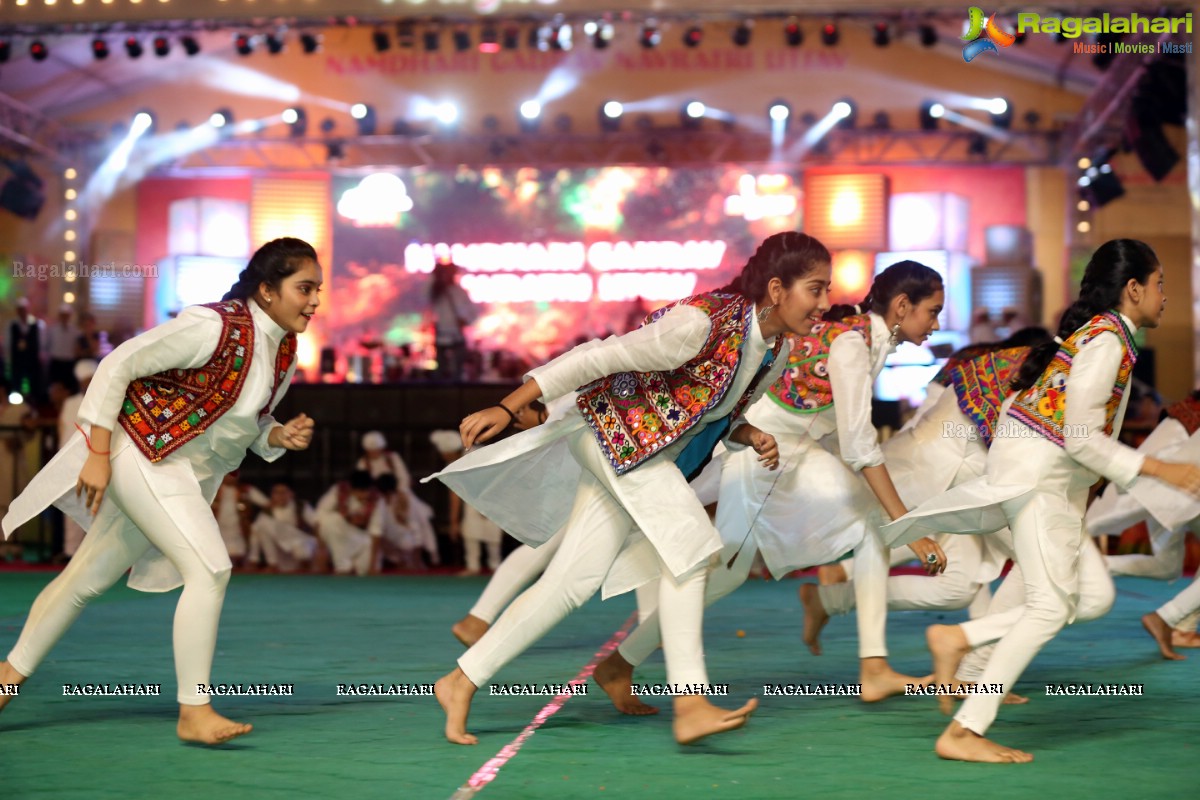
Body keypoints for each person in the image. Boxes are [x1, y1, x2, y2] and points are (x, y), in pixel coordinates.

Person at [430, 231, 833, 745]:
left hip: (637, 452)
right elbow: (594, 358)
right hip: (610, 437)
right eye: (815, 289)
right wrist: (509, 406)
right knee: (692, 551)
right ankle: (690, 702)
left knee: (569, 584)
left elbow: (713, 412)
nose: (824, 303)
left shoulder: (773, 349)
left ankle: (460, 680)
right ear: (777, 289)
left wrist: (750, 434)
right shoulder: (701, 323)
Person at [882, 239, 1200, 763]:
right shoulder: (1106, 341)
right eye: (1161, 283)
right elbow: (1079, 437)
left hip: (1048, 480)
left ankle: (963, 643)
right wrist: (1159, 468)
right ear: (1134, 288)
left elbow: (1064, 429)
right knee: (1049, 607)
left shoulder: (1105, 335)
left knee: (1091, 598)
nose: (1166, 295)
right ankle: (965, 726)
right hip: (1038, 481)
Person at [0, 237, 319, 745]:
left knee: (84, 579)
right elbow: (118, 364)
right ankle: (194, 709)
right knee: (210, 569)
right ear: (266, 290)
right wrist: (100, 455)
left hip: (174, 471)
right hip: (142, 453)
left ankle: (4, 680)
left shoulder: (284, 352)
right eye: (304, 288)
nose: (314, 300)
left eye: (317, 289)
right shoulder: (213, 325)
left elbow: (245, 423)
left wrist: (278, 435)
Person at [604, 261, 949, 704]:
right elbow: (861, 447)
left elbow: (849, 442)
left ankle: (874, 666)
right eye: (933, 312)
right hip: (762, 455)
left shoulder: (868, 340)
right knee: (725, 572)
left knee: (865, 531)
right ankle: (628, 666)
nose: (936, 324)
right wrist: (911, 528)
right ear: (903, 306)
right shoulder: (852, 344)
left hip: (788, 454)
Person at [430, 430, 505, 576]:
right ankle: (473, 566)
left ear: (451, 451)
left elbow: (495, 478)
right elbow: (455, 493)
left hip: (493, 492)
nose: (442, 456)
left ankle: (495, 565)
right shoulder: (453, 462)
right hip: (472, 496)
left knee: (492, 530)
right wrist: (454, 522)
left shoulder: (478, 455)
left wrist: (486, 505)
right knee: (470, 529)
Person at [58, 359, 97, 558]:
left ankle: (94, 555)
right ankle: (70, 551)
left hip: (95, 460)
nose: (86, 384)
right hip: (70, 462)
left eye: (90, 380)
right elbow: (63, 430)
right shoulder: (70, 403)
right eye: (84, 381)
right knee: (73, 506)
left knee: (97, 507)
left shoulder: (105, 400)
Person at [429, 261, 480, 382]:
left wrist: (465, 321)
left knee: (457, 372)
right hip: (442, 336)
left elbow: (473, 313)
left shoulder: (458, 292)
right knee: (441, 371)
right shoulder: (436, 291)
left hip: (456, 337)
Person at [7, 297, 45, 403]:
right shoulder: (12, 325)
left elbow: (41, 344)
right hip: (17, 362)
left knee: (34, 386)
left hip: (32, 361)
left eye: (24, 309)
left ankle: (33, 407)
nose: (22, 312)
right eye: (20, 309)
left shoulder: (36, 324)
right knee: (17, 386)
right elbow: (8, 345)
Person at [45, 303, 80, 395]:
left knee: (68, 388)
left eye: (67, 315)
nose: (65, 317)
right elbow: (47, 346)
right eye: (63, 315)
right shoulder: (52, 330)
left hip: (69, 364)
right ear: (60, 316)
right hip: (56, 363)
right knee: (56, 387)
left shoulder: (75, 331)